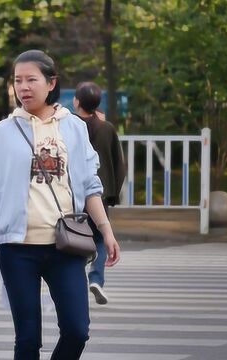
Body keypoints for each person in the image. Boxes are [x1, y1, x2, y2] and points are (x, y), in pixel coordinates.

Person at [0, 50, 120, 360]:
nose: (23, 87)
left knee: (77, 330)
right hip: (16, 248)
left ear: (51, 83)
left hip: (65, 245)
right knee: (27, 339)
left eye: (31, 79)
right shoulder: (3, 132)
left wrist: (107, 231)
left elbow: (90, 184)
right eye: (17, 81)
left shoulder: (73, 127)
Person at [73, 81, 126, 305]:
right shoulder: (107, 128)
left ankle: (75, 282)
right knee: (101, 239)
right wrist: (113, 192)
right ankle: (96, 279)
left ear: (76, 101)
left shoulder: (70, 126)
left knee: (74, 239)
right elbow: (118, 163)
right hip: (100, 193)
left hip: (74, 193)